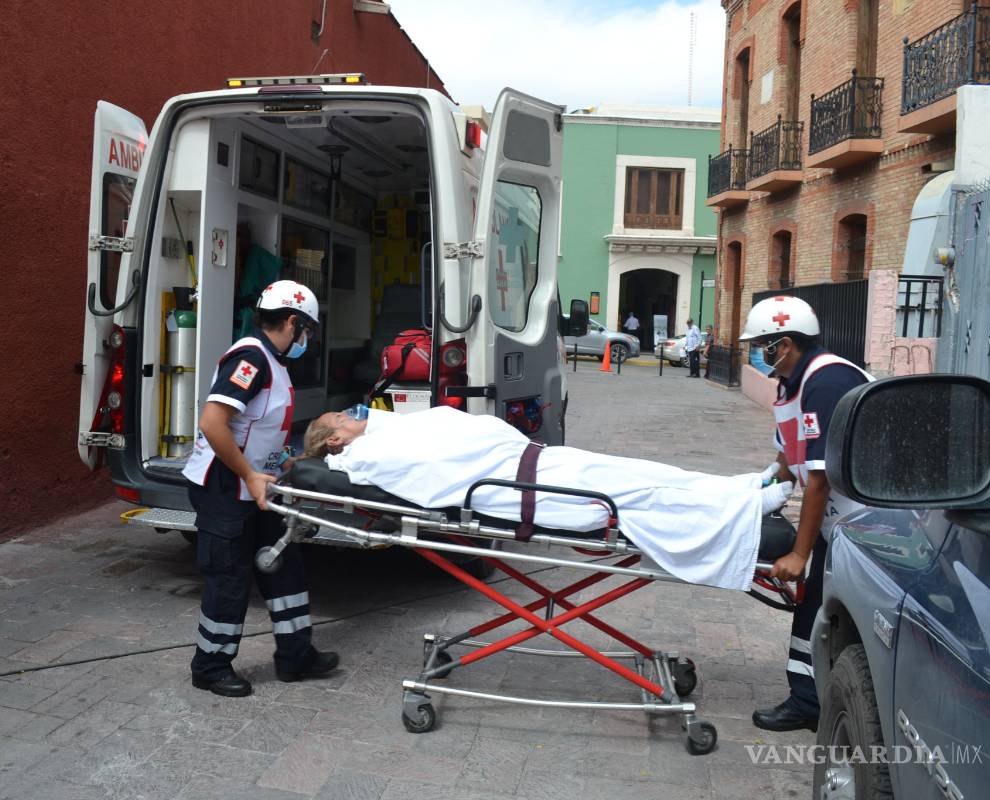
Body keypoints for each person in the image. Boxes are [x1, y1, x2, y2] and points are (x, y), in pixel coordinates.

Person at [302, 405, 794, 592]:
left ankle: (743, 488)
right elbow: (431, 465)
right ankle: (746, 511)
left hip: (528, 464)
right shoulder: (366, 455)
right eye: (342, 417)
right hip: (523, 487)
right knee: (636, 495)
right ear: (336, 441)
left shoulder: (387, 432)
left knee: (644, 473)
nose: (353, 412)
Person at [182, 280, 339, 697]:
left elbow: (255, 425)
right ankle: (210, 666)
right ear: (292, 322)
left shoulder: (273, 361)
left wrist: (279, 459)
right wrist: (250, 474)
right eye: (306, 331)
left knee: (284, 563)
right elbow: (213, 423)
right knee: (229, 577)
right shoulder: (250, 358)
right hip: (225, 487)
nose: (306, 341)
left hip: (257, 485)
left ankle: (296, 656)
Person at [738, 295, 872, 733]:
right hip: (837, 520)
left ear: (786, 343)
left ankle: (818, 702)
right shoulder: (789, 386)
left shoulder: (827, 381)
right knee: (811, 607)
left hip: (864, 523)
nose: (756, 352)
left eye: (761, 344)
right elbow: (786, 460)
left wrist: (798, 554)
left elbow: (820, 479)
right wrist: (748, 490)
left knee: (825, 607)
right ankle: (809, 699)